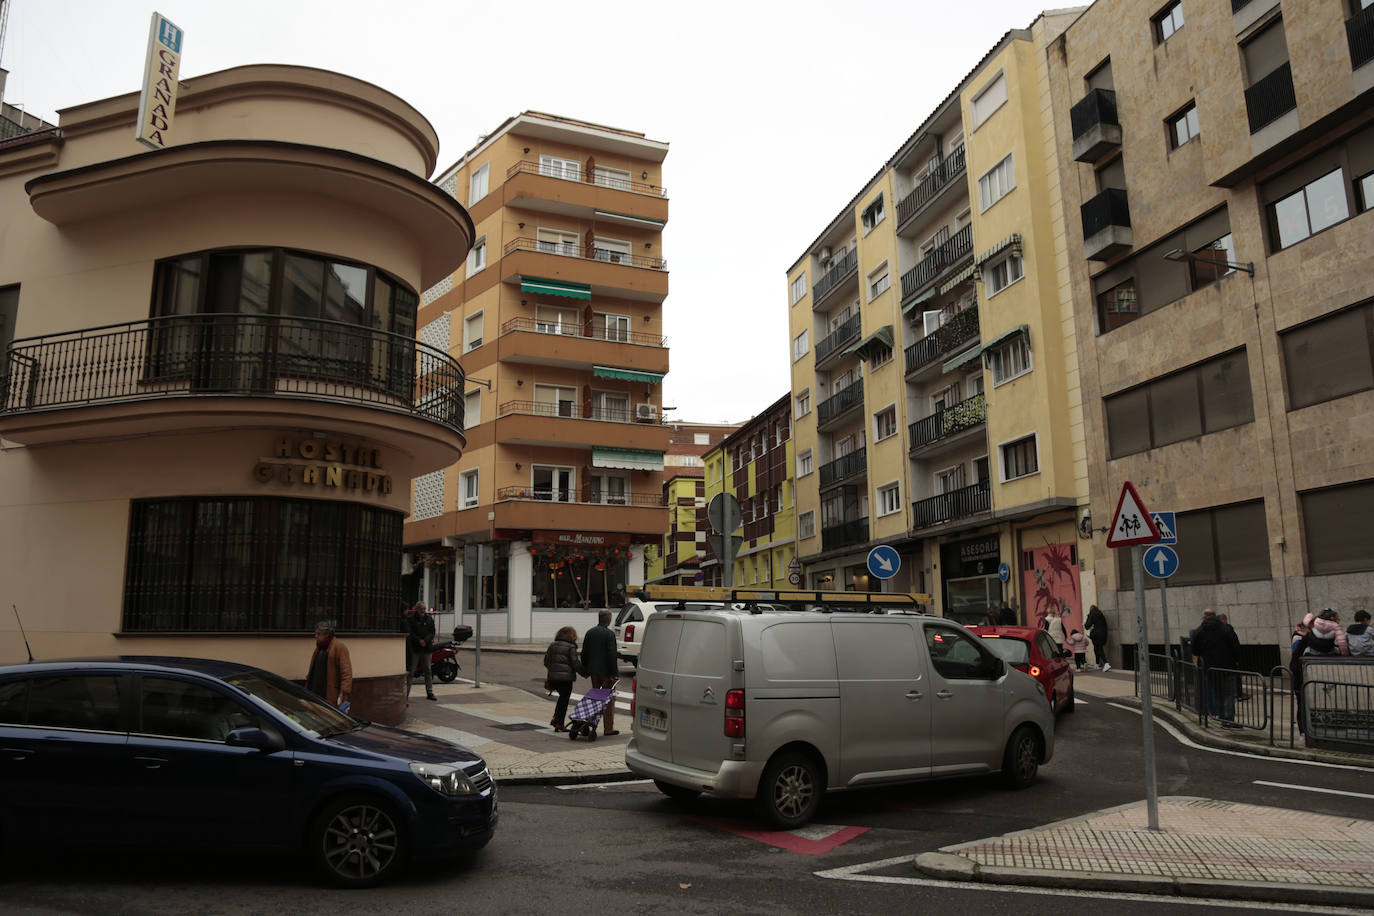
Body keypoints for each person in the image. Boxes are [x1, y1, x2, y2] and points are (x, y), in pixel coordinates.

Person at [1190, 608, 1241, 727]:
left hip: (1210, 668)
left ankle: (1221, 716)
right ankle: (1228, 719)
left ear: (1204, 617)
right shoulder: (1226, 629)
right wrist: (1236, 661)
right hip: (1227, 667)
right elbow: (1236, 647)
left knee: (1218, 693)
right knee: (1228, 693)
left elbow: (1194, 650)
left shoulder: (1199, 631)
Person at [580, 610, 620, 736]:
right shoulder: (609, 634)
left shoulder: (590, 632)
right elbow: (612, 655)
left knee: (595, 697)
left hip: (593, 672)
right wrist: (614, 673)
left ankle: (590, 724)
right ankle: (608, 728)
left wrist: (586, 668)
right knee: (609, 700)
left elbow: (584, 653)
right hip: (606, 672)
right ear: (608, 620)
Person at [306, 620, 352, 710]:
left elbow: (346, 672)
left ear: (326, 634)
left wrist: (344, 694)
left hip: (329, 694)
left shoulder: (339, 647)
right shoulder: (319, 647)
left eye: (318, 634)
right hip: (315, 691)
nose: (316, 636)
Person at [543, 626, 581, 732]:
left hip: (553, 678)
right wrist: (585, 673)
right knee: (564, 700)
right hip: (565, 679)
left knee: (561, 698)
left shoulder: (552, 645)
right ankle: (559, 723)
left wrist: (553, 670)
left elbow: (546, 661)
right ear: (572, 635)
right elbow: (575, 663)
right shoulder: (571, 646)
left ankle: (556, 718)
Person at [405, 601, 437, 702]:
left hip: (427, 649)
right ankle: (406, 694)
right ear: (417, 609)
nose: (423, 611)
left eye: (424, 608)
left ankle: (430, 692)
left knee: (428, 670)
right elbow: (410, 633)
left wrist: (426, 640)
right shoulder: (411, 619)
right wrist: (419, 640)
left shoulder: (429, 619)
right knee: (411, 671)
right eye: (421, 609)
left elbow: (432, 632)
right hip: (415, 649)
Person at [1085, 604, 1110, 671]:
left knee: (1099, 649)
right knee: (1096, 648)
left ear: (1091, 609)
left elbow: (1087, 626)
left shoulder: (1092, 614)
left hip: (1096, 635)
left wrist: (1088, 616)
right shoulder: (1100, 613)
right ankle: (1097, 664)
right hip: (1103, 634)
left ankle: (1106, 663)